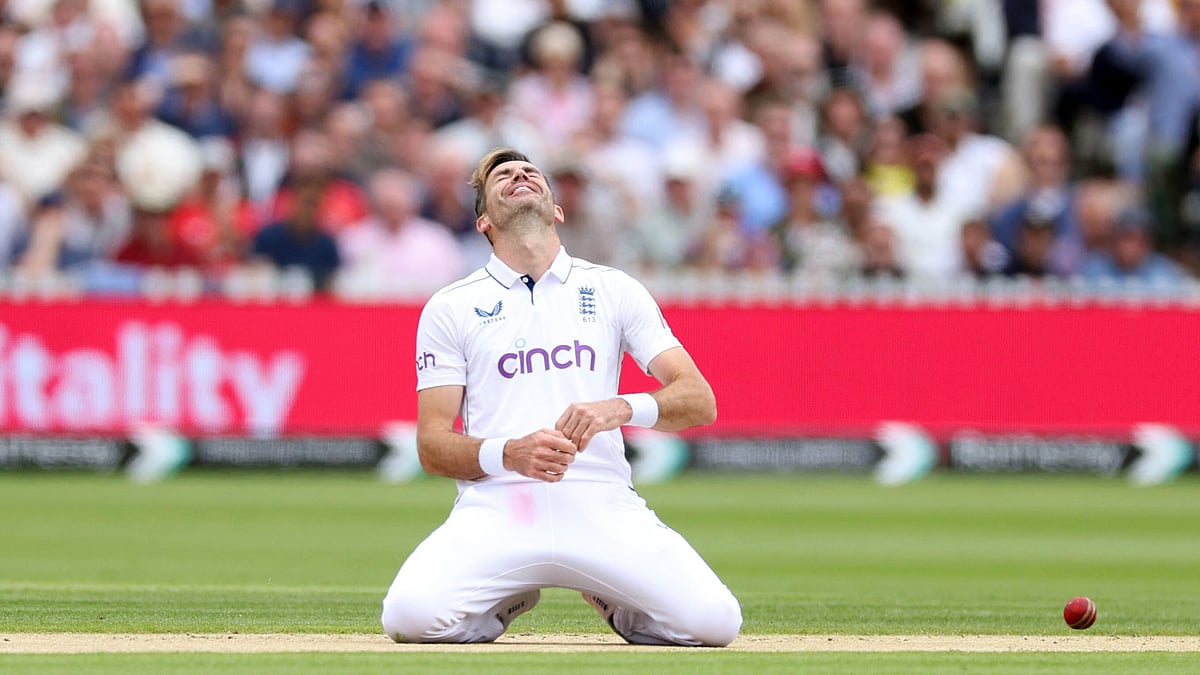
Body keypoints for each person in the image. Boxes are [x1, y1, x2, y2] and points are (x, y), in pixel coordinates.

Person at [380, 147, 742, 646]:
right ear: (484, 220)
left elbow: (699, 399)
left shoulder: (614, 289)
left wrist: (620, 407)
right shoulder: (451, 307)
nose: (520, 175)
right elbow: (432, 446)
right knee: (409, 618)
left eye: (531, 172)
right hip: (500, 501)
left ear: (556, 209)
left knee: (716, 624)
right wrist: (509, 453)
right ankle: (509, 599)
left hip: (602, 499)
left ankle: (614, 602)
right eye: (502, 175)